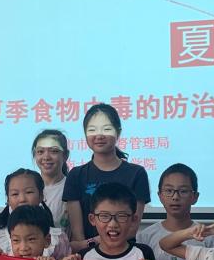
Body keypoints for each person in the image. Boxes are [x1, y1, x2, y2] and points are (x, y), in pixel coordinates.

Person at [64, 103, 150, 251]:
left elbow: (131, 228)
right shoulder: (76, 175)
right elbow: (78, 235)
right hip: (87, 256)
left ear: (118, 132)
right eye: (92, 130)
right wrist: (89, 247)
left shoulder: (136, 173)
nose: (99, 135)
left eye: (106, 129)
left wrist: (94, 243)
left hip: (126, 255)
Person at [137, 163, 214, 260]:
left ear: (195, 197)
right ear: (160, 196)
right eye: (169, 191)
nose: (175, 197)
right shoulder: (145, 237)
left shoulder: (207, 238)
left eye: (183, 191)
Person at [0, 169, 71, 260]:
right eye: (15, 194)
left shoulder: (57, 238)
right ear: (8, 200)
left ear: (41, 196)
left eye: (29, 192)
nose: (22, 199)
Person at [81, 183, 158, 260]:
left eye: (121, 216)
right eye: (104, 216)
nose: (113, 224)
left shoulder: (144, 253)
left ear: (133, 220)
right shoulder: (83, 257)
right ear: (92, 219)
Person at [31, 129, 70, 232]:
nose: (46, 157)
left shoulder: (71, 188)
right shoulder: (27, 188)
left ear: (65, 155)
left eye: (54, 151)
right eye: (40, 151)